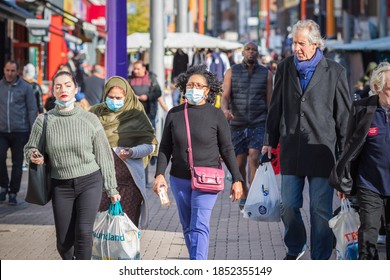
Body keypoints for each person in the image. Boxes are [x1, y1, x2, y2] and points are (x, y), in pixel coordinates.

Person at [261, 19, 351, 260]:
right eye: (294, 43)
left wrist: (346, 157)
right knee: (288, 206)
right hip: (292, 147)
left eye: (301, 43)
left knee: (319, 210)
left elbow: (343, 116)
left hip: (322, 151)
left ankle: (319, 258)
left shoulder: (335, 71)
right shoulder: (284, 67)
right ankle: (296, 246)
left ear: (315, 44)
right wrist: (270, 138)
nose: (296, 48)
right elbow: (276, 105)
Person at [23, 70, 120, 260]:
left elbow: (104, 156)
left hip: (90, 182)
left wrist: (112, 188)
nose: (63, 89)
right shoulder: (44, 120)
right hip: (61, 185)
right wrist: (34, 155)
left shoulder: (90, 119)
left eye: (68, 85)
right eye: (58, 86)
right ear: (53, 91)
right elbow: (30, 148)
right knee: (64, 242)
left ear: (76, 89)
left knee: (84, 232)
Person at [153, 64, 243, 260]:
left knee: (199, 225)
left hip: (208, 179)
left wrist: (237, 178)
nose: (194, 89)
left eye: (199, 85)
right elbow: (165, 148)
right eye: (190, 85)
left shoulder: (216, 114)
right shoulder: (174, 114)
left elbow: (227, 148)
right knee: (187, 226)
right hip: (179, 179)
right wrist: (159, 174)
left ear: (208, 90)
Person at [330, 61, 390, 260]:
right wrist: (343, 180)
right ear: (376, 88)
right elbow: (349, 147)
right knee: (368, 236)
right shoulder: (362, 109)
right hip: (370, 184)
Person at [90, 76, 158, 227]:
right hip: (100, 183)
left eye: (118, 97)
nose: (114, 101)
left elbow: (151, 145)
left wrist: (132, 152)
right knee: (100, 227)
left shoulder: (136, 113)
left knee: (126, 229)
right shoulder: (95, 112)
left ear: (126, 97)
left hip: (129, 185)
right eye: (111, 97)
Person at [221, 41, 273, 209]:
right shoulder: (231, 72)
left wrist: (271, 123)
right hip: (237, 122)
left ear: (258, 53)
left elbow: (270, 101)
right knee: (239, 162)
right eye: (248, 49)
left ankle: (254, 195)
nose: (251, 52)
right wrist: (224, 110)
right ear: (242, 52)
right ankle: (243, 193)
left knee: (254, 157)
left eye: (254, 50)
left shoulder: (266, 73)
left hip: (258, 122)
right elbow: (225, 96)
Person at [0, 60, 38, 205]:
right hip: (2, 131)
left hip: (20, 131)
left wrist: (33, 131)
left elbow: (31, 109)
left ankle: (13, 192)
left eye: (12, 71)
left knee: (17, 163)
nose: (10, 73)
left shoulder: (26, 88)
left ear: (18, 71)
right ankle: (3, 185)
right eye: (7, 70)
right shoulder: (0, 86)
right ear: (4, 70)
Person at [128, 60, 166, 128]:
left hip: (150, 112)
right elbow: (125, 93)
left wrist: (147, 97)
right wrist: (132, 96)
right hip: (134, 113)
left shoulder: (151, 78)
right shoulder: (130, 79)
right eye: (134, 69)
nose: (135, 71)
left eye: (138, 69)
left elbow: (158, 92)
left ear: (143, 68)